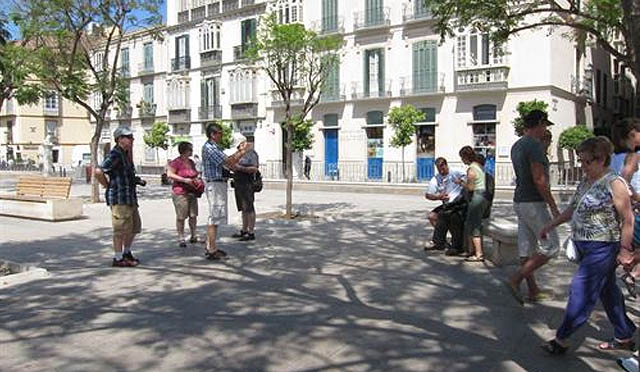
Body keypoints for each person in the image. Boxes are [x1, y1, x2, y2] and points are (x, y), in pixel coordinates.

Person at [538, 136, 636, 355]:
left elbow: (628, 219)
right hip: (583, 245)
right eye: (580, 161)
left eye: (586, 162)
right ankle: (624, 334)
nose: (582, 166)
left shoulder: (615, 183)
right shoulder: (585, 182)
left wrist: (624, 249)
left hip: (603, 247)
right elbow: (572, 209)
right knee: (607, 291)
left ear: (601, 159)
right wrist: (550, 225)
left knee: (581, 290)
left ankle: (562, 338)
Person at [506, 110, 560, 304]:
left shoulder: (517, 145)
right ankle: (516, 279)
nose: (545, 129)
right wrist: (553, 206)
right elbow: (539, 179)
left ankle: (533, 290)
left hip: (519, 201)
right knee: (552, 246)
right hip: (534, 203)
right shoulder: (534, 146)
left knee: (526, 249)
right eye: (545, 125)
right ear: (539, 123)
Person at [94, 127, 144, 267]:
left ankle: (126, 253)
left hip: (129, 197)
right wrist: (106, 185)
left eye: (132, 137)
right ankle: (117, 258)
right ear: (120, 139)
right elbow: (99, 171)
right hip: (119, 198)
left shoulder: (125, 154)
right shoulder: (115, 153)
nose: (132, 139)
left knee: (134, 227)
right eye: (129, 137)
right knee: (120, 230)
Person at [202, 123, 251, 260]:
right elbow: (229, 161)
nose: (222, 136)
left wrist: (239, 155)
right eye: (220, 133)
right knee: (215, 217)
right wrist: (241, 152)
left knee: (216, 216)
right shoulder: (210, 148)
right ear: (213, 134)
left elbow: (229, 163)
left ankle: (210, 245)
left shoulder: (216, 147)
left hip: (219, 184)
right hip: (215, 184)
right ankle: (211, 249)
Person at [423, 157, 466, 255]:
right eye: (439, 169)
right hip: (447, 204)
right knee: (433, 216)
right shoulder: (436, 178)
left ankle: (454, 243)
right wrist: (438, 197)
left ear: (446, 165)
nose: (442, 171)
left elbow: (469, 178)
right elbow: (428, 194)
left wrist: (461, 182)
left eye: (443, 168)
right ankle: (441, 241)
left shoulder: (456, 172)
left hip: (459, 203)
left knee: (449, 216)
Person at [457, 146, 490, 262]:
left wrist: (461, 182)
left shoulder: (471, 169)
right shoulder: (479, 166)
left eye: (462, 157)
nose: (462, 160)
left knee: (473, 224)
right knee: (473, 223)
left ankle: (478, 254)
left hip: (477, 198)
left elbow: (470, 187)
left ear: (466, 157)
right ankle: (472, 251)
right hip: (484, 197)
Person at [167, 141, 201, 248]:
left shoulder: (191, 162)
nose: (191, 151)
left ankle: (193, 235)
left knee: (193, 215)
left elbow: (195, 172)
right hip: (180, 192)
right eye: (190, 149)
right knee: (181, 216)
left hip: (192, 191)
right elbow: (170, 174)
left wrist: (197, 179)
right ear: (184, 150)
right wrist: (184, 180)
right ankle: (181, 237)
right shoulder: (176, 162)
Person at [231, 136, 260, 241]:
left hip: (247, 183)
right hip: (238, 183)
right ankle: (244, 230)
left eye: (241, 144)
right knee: (243, 208)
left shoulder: (251, 154)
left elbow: (255, 168)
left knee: (249, 207)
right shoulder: (237, 154)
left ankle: (251, 231)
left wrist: (241, 168)